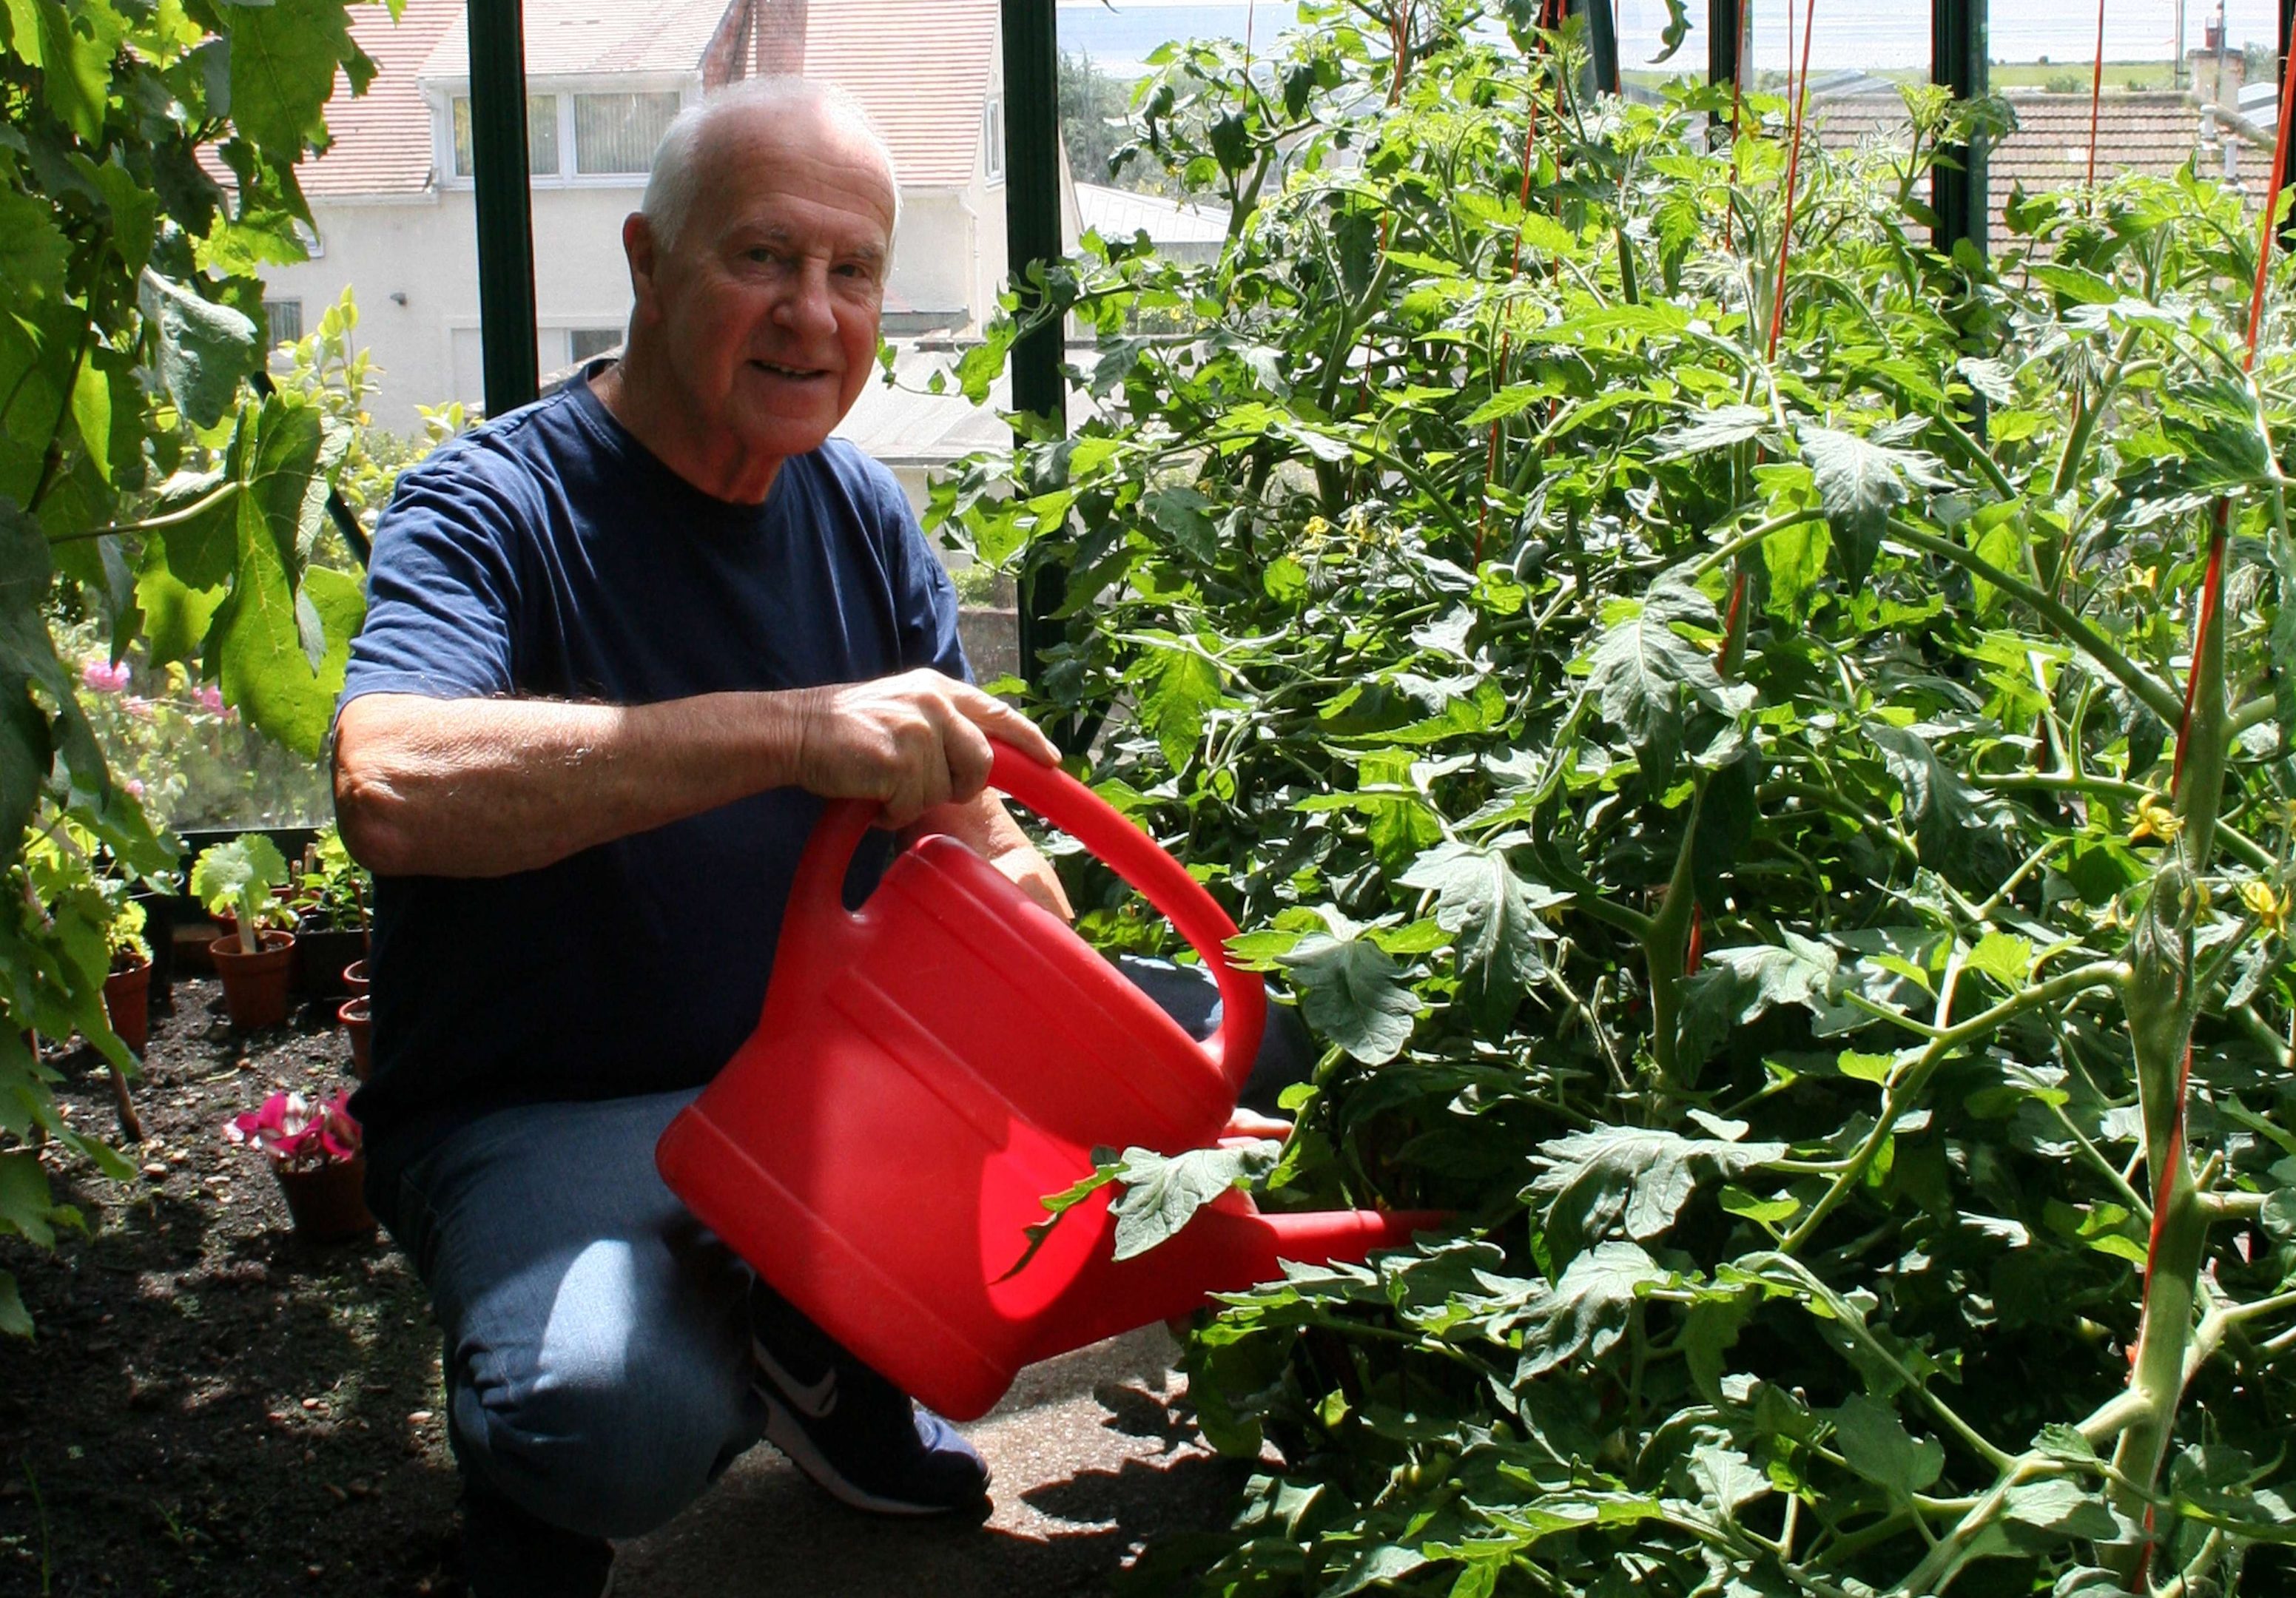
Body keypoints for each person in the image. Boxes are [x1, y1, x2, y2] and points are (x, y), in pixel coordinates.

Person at [331, 78, 1304, 1598]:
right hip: (558, 1106)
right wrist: (789, 727)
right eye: (763, 259)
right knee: (605, 1415)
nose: (812, 315)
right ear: (650, 265)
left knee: (1262, 1042)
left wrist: (1103, 1081)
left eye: (851, 273)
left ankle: (817, 1332)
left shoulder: (856, 510)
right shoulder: (494, 506)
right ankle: (575, 1477)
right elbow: (389, 788)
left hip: (827, 1072)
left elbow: (978, 840)